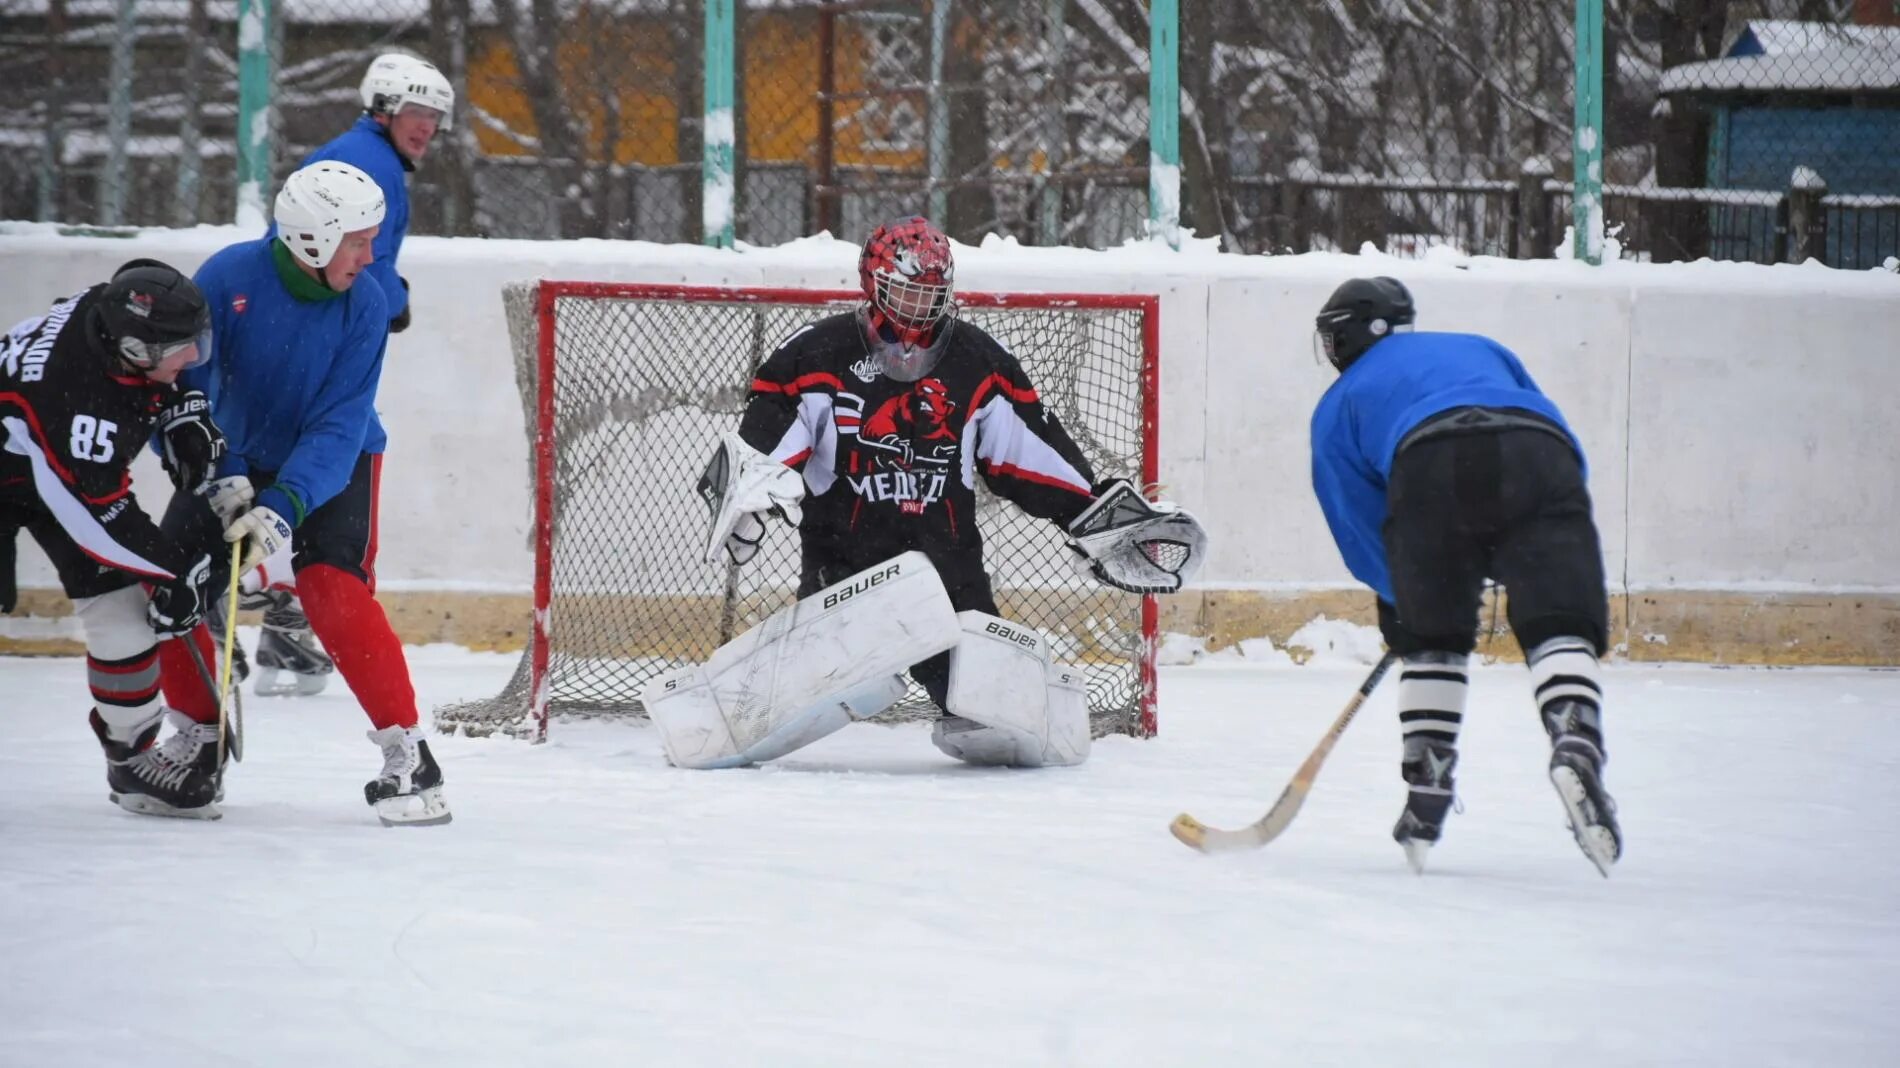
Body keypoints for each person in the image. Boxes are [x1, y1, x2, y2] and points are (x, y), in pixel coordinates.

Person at [647, 216, 1206, 770]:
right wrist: (749, 498)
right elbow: (765, 441)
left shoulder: (977, 362)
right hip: (844, 570)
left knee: (1004, 722)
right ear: (873, 283)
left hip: (948, 565)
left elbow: (1029, 450)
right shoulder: (816, 355)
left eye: (934, 293)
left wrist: (1092, 510)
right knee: (793, 691)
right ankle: (712, 715)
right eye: (909, 291)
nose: (923, 306)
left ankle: (980, 703)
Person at [1307, 276, 1620, 876]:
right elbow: (1546, 424)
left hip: (1427, 459)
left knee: (1434, 641)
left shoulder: (1340, 402)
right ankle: (1576, 736)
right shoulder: (1481, 346)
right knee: (1559, 621)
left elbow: (1358, 524)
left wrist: (1408, 603)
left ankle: (1427, 786)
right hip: (1543, 455)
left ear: (1348, 334)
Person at [169, 159, 450, 826]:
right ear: (314, 239)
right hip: (234, 456)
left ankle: (409, 752)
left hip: (335, 460)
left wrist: (286, 504)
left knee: (331, 586)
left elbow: (340, 420)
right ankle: (195, 740)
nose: (371, 253)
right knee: (168, 583)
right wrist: (222, 468)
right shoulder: (226, 278)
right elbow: (188, 388)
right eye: (358, 240)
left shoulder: (367, 302)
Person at [232, 51, 455, 697]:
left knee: (315, 457)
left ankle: (279, 610)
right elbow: (351, 252)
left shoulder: (367, 156)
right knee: (344, 456)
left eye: (435, 117)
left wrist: (387, 289)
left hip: (312, 336)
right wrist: (389, 296)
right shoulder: (368, 162)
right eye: (416, 111)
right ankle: (288, 611)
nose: (427, 127)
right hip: (319, 339)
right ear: (384, 108)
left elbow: (360, 254)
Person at [0, 259, 231, 817]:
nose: (195, 358)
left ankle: (129, 760)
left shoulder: (108, 306)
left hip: (42, 464)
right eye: (182, 348)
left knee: (125, 625)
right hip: (44, 463)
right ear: (134, 349)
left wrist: (178, 408)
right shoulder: (74, 407)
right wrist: (173, 575)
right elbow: (106, 517)